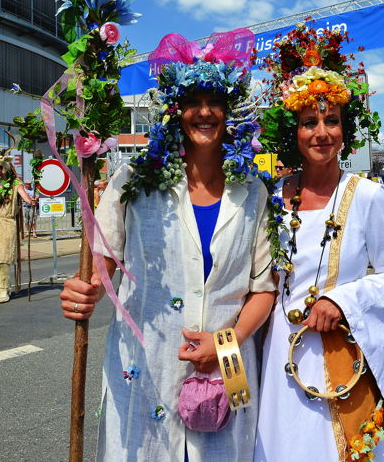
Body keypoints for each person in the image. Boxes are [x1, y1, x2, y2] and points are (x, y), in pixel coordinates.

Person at [60, 29, 275, 461]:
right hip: (146, 359)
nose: (204, 112)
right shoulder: (134, 181)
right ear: (176, 110)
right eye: (193, 101)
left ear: (229, 111)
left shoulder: (252, 191)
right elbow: (104, 261)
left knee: (222, 453)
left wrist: (225, 344)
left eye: (215, 101)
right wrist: (86, 291)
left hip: (229, 362)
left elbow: (263, 288)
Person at [254, 23, 384, 461]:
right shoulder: (274, 195)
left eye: (331, 120)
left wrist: (341, 301)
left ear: (346, 128)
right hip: (279, 356)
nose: (321, 132)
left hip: (339, 351)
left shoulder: (367, 196)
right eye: (309, 122)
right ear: (294, 132)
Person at [0, 158, 33, 303]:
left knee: (3, 257)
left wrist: (31, 201)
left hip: (7, 223)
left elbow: (26, 197)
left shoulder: (15, 184)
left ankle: (4, 290)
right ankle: (2, 287)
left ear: (5, 168)